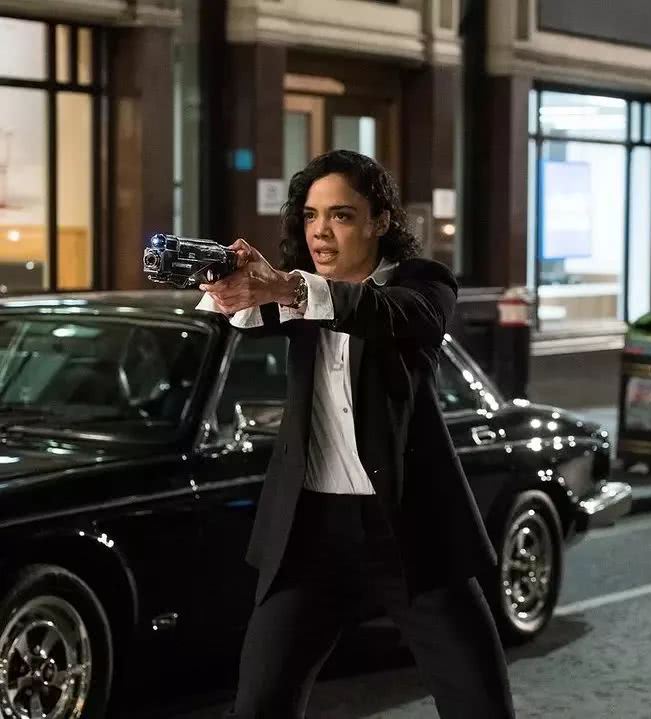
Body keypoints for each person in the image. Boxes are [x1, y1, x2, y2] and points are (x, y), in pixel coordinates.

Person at [197, 150, 515, 719]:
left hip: (407, 528)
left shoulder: (422, 285)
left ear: (379, 221)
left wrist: (286, 288)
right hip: (309, 530)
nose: (320, 230)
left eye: (340, 215)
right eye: (311, 215)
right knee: (260, 705)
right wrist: (231, 283)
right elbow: (245, 312)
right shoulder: (296, 292)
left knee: (478, 704)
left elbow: (388, 315)